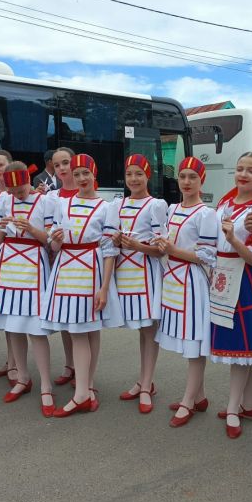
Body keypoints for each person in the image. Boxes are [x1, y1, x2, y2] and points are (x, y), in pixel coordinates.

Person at [41, 153, 124, 417]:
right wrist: (54, 240)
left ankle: (84, 391)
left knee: (87, 331)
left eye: (85, 173)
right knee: (81, 331)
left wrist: (104, 287)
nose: (80, 178)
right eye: (76, 174)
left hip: (91, 269)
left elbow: (110, 249)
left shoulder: (107, 206)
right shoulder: (62, 205)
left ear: (94, 174)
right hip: (66, 269)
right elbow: (54, 244)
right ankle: (85, 390)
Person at [0, 163, 55, 415]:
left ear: (28, 182)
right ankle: (22, 377)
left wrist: (30, 229)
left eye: (20, 189)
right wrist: (2, 230)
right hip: (7, 263)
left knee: (36, 328)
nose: (16, 195)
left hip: (33, 263)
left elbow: (51, 241)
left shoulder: (44, 202)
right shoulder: (4, 200)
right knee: (12, 326)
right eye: (12, 190)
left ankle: (46, 385)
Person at [210, 151, 252, 439]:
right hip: (224, 278)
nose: (244, 175)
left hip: (246, 280)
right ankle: (248, 403)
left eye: (251, 170)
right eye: (240, 169)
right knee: (241, 348)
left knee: (240, 349)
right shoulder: (225, 203)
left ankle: (234, 407)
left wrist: (234, 240)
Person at [154, 157, 217, 428]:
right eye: (183, 177)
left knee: (194, 344)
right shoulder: (172, 208)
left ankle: (188, 401)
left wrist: (172, 250)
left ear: (202, 181)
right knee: (186, 339)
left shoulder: (206, 213)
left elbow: (206, 255)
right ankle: (199, 396)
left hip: (192, 281)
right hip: (173, 278)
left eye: (193, 176)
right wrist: (161, 246)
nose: (187, 182)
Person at [113, 154, 167, 414]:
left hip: (146, 273)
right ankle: (143, 381)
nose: (133, 179)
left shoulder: (156, 205)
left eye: (139, 174)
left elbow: (161, 248)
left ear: (148, 176)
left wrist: (137, 246)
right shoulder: (118, 204)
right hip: (125, 275)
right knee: (140, 331)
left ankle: (146, 384)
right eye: (129, 174)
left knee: (149, 331)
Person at [0, 149, 27, 388]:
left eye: (0, 165)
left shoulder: (29, 194)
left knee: (21, 313)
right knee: (7, 312)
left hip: (25, 259)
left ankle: (16, 364)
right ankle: (10, 361)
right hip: (2, 255)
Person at [43, 147, 79, 387]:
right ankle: (70, 365)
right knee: (66, 320)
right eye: (57, 165)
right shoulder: (51, 198)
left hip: (83, 264)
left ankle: (85, 372)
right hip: (59, 262)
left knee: (84, 324)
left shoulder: (89, 193)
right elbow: (48, 230)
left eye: (66, 162)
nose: (63, 168)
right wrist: (52, 242)